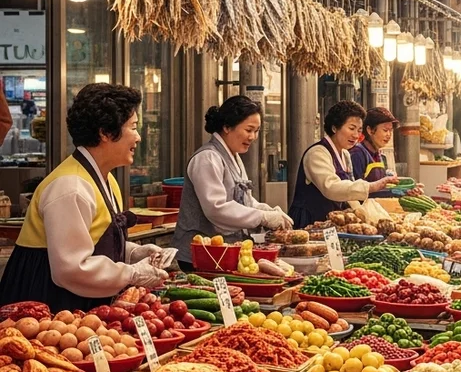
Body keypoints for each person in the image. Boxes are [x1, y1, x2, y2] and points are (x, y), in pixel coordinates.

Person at [0, 84, 167, 311]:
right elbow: (72, 269)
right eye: (133, 127)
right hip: (48, 303)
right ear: (105, 133)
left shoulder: (105, 179)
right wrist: (133, 273)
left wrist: (132, 253)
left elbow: (93, 242)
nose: (138, 137)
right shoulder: (71, 187)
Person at [175, 97, 292, 272]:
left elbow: (244, 200)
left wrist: (266, 210)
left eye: (257, 131)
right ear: (227, 127)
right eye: (248, 130)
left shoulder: (234, 155)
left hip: (225, 255)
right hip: (201, 258)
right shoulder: (208, 157)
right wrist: (261, 217)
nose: (252, 137)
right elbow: (217, 208)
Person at [288, 101, 395, 228]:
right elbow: (331, 187)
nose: (356, 135)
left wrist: (364, 217)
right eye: (351, 128)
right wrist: (370, 187)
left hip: (330, 223)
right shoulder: (317, 153)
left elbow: (349, 192)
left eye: (359, 130)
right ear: (334, 128)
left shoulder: (345, 154)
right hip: (309, 221)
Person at [350, 107, 399, 198]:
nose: (388, 135)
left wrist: (405, 190)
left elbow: (384, 188)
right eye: (385, 130)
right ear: (369, 130)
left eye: (390, 130)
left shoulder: (381, 157)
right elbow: (355, 191)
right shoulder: (357, 154)